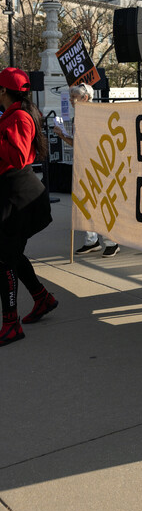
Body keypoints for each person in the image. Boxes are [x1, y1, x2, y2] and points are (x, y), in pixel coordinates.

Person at [0, 67, 57, 347]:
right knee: (11, 254)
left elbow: (19, 155)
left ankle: (11, 324)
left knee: (4, 260)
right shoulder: (14, 115)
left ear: (3, 91)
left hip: (20, 195)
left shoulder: (19, 116)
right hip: (14, 192)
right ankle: (42, 298)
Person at [54, 83, 120, 258]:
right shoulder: (80, 117)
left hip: (98, 166)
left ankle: (111, 241)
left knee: (100, 204)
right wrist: (63, 136)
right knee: (86, 205)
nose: (71, 100)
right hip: (85, 165)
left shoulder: (94, 116)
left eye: (73, 97)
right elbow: (79, 145)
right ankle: (92, 240)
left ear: (84, 98)